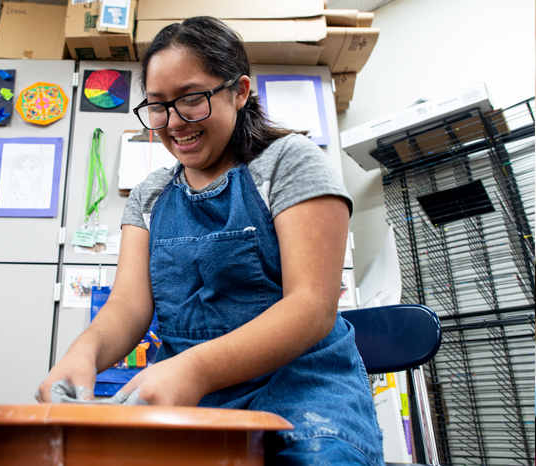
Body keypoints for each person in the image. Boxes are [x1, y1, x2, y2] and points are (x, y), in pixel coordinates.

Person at [38, 16, 384, 465]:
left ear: (239, 91)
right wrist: (81, 354)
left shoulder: (287, 163)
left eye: (192, 99)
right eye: (159, 106)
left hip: (303, 392)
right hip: (189, 397)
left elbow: (312, 307)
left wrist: (196, 368)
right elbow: (128, 306)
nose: (174, 122)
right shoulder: (150, 196)